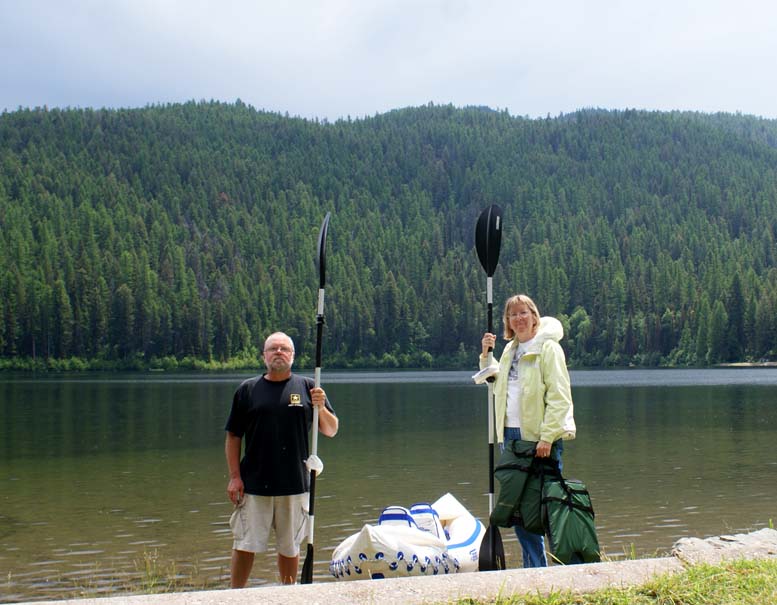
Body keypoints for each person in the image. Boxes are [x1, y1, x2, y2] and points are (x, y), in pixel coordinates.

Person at [225, 331, 338, 587]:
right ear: (264, 356)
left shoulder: (310, 387)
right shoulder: (247, 390)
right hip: (253, 484)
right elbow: (233, 436)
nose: (278, 352)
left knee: (290, 547)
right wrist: (234, 477)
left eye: (284, 349)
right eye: (273, 349)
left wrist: (320, 407)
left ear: (293, 356)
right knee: (245, 544)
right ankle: (234, 597)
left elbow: (331, 430)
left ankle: (289, 594)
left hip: (295, 485)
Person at [479, 294, 576, 567]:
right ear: (508, 322)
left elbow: (559, 397)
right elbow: (495, 380)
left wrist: (547, 437)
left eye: (524, 313)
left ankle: (564, 564)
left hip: (538, 441)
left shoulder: (548, 348)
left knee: (544, 507)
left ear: (535, 316)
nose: (519, 318)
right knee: (519, 510)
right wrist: (486, 355)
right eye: (513, 315)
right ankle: (535, 570)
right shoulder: (510, 350)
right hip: (509, 439)